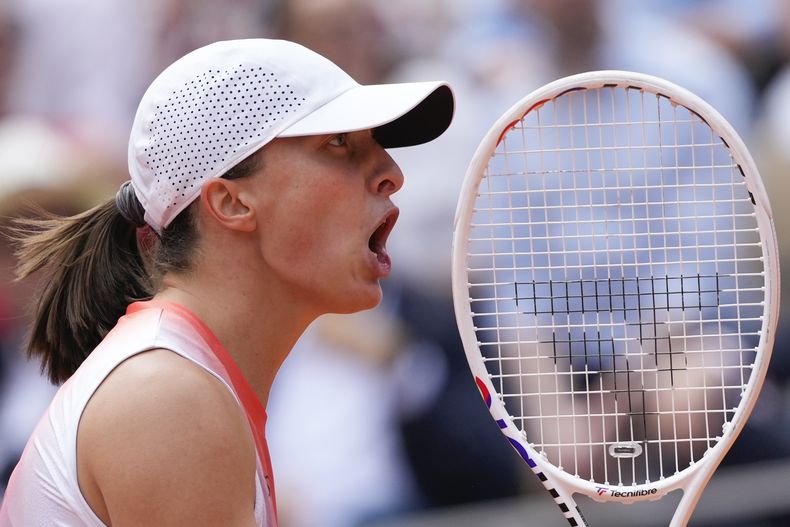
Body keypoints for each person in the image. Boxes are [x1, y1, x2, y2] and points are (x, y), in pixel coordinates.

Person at [0, 38, 454, 526]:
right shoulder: (168, 397)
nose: (392, 173)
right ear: (231, 203)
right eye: (339, 143)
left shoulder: (181, 382)